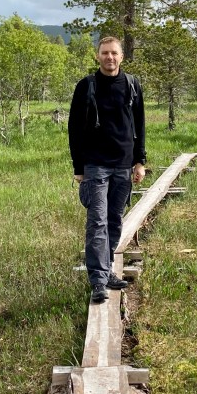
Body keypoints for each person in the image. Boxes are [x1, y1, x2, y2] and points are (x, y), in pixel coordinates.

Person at [68, 36, 146, 302]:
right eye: (105, 53)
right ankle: (99, 281)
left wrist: (140, 161)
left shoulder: (132, 84)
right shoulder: (86, 86)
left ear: (121, 56)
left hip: (123, 165)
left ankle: (108, 269)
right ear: (97, 56)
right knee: (97, 221)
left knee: (114, 220)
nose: (109, 57)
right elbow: (74, 129)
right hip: (95, 165)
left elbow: (140, 125)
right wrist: (78, 166)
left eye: (114, 53)